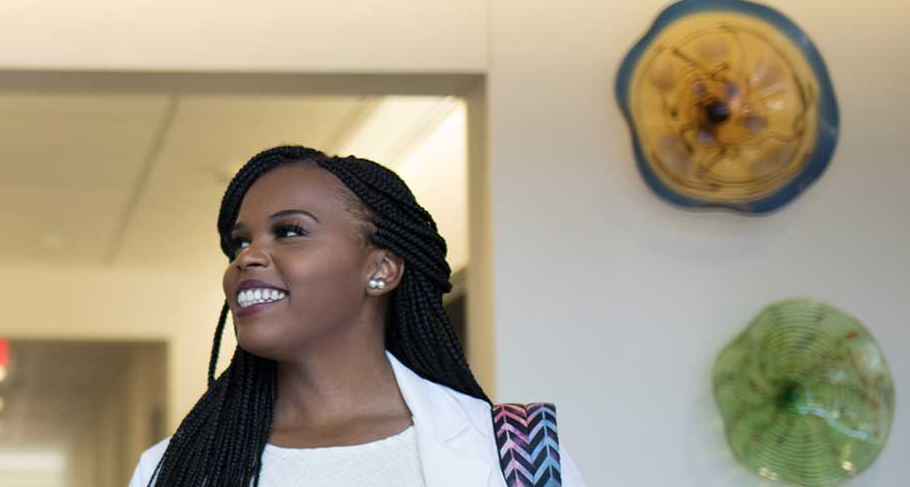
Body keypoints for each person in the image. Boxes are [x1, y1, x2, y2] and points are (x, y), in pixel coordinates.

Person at [128, 146, 584, 486]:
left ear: (381, 270)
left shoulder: (515, 453)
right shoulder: (175, 468)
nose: (247, 258)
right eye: (240, 242)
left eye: (289, 231)